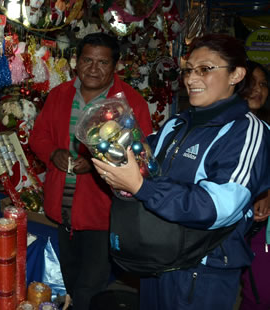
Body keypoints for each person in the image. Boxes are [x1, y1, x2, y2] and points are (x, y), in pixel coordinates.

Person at [92, 33, 270, 309]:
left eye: (205, 69)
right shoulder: (176, 124)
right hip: (158, 260)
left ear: (236, 75)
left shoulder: (247, 130)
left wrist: (142, 187)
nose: (191, 79)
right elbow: (145, 164)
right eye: (188, 70)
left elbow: (219, 205)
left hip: (202, 271)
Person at [30, 33, 152, 310]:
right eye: (87, 60)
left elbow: (142, 155)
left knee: (90, 286)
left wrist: (100, 163)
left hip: (104, 212)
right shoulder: (59, 95)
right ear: (76, 62)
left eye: (102, 62)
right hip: (63, 207)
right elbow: (38, 137)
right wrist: (53, 153)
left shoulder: (130, 102)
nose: (93, 69)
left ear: (115, 66)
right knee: (71, 278)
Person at [240, 60, 270, 310]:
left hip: (259, 231)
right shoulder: (219, 129)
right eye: (251, 83)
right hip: (219, 234)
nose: (258, 89)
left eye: (263, 84)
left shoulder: (266, 131)